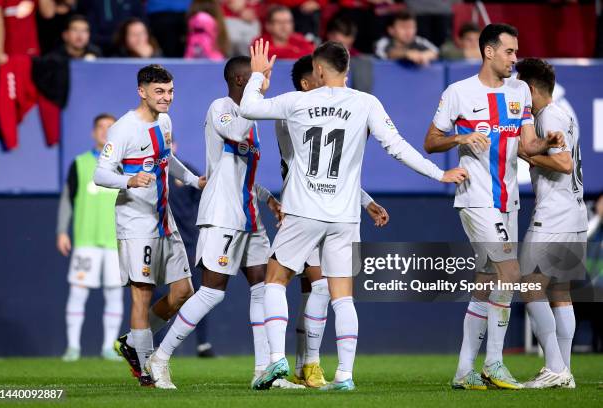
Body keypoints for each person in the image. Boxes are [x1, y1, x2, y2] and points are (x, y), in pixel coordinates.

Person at [242, 39, 467, 391]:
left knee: (275, 278)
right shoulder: (366, 103)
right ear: (348, 69)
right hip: (344, 215)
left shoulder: (298, 101)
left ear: (317, 69)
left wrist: (257, 76)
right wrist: (440, 175)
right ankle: (344, 375)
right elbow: (398, 147)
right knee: (342, 295)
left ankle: (276, 360)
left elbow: (249, 108)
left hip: (303, 210)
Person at [423, 23, 565, 390]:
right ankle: (495, 364)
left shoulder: (518, 92)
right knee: (510, 272)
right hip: (476, 198)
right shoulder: (458, 92)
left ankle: (463, 372)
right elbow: (431, 141)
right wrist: (461, 137)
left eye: (516, 52)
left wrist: (547, 143)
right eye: (509, 52)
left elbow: (526, 145)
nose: (515, 59)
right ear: (488, 51)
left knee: (486, 283)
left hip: (508, 201)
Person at [144, 57, 294, 390]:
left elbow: (239, 173)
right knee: (212, 292)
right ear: (242, 79)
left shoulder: (252, 120)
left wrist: (268, 197)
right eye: (260, 76)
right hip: (222, 217)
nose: (266, 82)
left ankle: (263, 371)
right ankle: (160, 358)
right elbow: (234, 130)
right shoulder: (221, 109)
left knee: (264, 288)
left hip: (249, 216)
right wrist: (258, 88)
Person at [281, 55, 390, 388]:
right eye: (320, 79)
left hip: (329, 208)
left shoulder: (323, 111)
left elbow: (334, 171)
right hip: (304, 208)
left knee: (322, 288)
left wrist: (366, 200)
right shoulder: (293, 115)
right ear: (307, 82)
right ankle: (308, 363)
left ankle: (306, 365)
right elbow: (310, 170)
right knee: (317, 286)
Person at [94, 64, 205, 387]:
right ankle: (146, 369)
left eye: (170, 91)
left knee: (184, 291)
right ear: (141, 91)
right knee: (141, 295)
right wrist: (128, 179)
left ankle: (132, 342)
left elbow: (167, 159)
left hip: (163, 218)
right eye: (159, 91)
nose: (166, 97)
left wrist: (193, 179)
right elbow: (101, 174)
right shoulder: (123, 129)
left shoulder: (165, 122)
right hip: (135, 222)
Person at [515, 57, 587, 389]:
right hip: (573, 213)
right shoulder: (565, 114)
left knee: (529, 286)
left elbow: (563, 162)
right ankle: (565, 373)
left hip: (554, 215)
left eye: (519, 87)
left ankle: (555, 367)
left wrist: (526, 153)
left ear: (530, 89)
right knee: (558, 292)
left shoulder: (547, 117)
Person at [57, 113, 123, 362]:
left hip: (116, 242)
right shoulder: (80, 163)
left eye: (110, 127)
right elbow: (67, 199)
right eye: (101, 127)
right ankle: (73, 347)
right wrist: (62, 230)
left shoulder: (124, 165)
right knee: (78, 292)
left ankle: (108, 347)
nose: (105, 131)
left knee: (114, 294)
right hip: (85, 241)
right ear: (93, 132)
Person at [167, 140, 215, 357]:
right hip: (163, 243)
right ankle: (156, 345)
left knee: (198, 293)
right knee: (162, 294)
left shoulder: (185, 172)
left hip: (188, 242)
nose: (167, 147)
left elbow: (204, 194)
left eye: (169, 143)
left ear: (175, 146)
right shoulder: (151, 173)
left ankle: (203, 343)